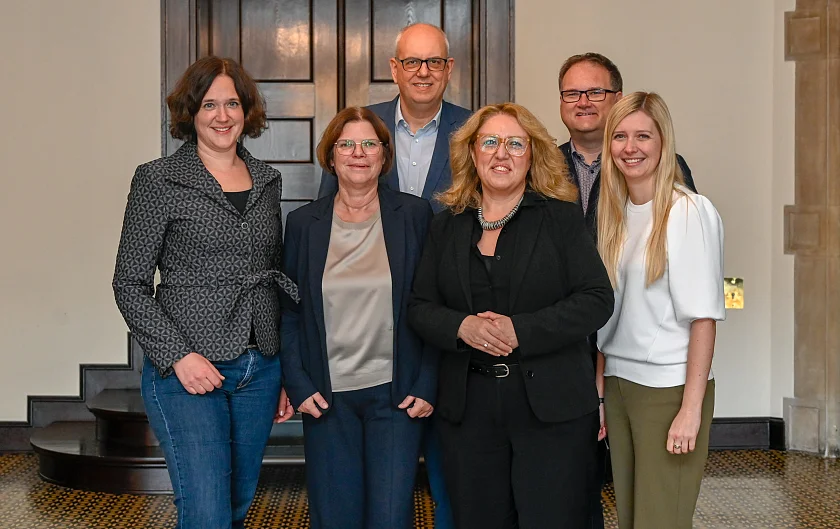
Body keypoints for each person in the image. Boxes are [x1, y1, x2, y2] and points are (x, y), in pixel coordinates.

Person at [408, 102, 615, 528]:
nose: (502, 154)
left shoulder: (560, 219)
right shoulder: (447, 225)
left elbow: (596, 299)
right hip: (470, 409)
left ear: (532, 155)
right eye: (490, 142)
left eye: (515, 144)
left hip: (551, 406)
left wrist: (520, 330)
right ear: (472, 153)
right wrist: (462, 326)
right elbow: (419, 307)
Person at [113, 56, 298, 529]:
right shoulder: (158, 180)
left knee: (235, 506)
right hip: (188, 371)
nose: (222, 115)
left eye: (232, 103)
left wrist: (281, 369)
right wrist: (179, 356)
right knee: (207, 512)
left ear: (247, 110)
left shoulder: (268, 180)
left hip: (260, 369)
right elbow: (129, 283)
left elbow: (272, 272)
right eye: (210, 104)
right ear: (191, 112)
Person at [318, 22, 468, 527]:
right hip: (369, 347)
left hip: (452, 334)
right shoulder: (359, 131)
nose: (422, 72)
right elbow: (325, 234)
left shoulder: (476, 133)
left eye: (434, 62)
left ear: (449, 68)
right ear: (393, 69)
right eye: (412, 62)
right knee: (371, 496)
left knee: (455, 486)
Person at [557, 52, 699, 528]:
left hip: (647, 363)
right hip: (569, 353)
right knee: (574, 484)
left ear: (616, 99)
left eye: (596, 92)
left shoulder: (669, 176)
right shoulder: (544, 168)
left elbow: (688, 283)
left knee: (647, 496)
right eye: (573, 93)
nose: (584, 102)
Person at [280, 106, 438, 529]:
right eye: (346, 144)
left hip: (396, 395)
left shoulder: (415, 216)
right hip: (327, 398)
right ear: (330, 157)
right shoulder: (302, 224)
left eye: (369, 143)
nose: (358, 153)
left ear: (384, 156)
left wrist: (427, 382)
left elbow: (435, 304)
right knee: (335, 518)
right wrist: (298, 384)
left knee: (390, 517)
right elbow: (290, 312)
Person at [596, 92, 725, 528]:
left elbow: (703, 319)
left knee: (661, 521)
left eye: (642, 136)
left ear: (663, 142)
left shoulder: (688, 211)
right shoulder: (616, 214)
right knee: (631, 518)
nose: (629, 147)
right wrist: (601, 392)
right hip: (619, 385)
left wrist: (690, 410)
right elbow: (609, 316)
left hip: (667, 391)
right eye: (619, 136)